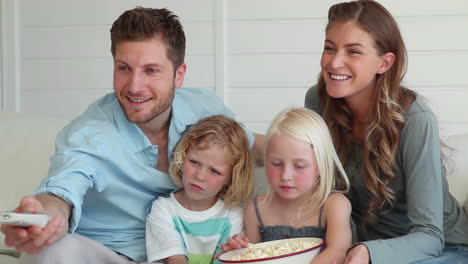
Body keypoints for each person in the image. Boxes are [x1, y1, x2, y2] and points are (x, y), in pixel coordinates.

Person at [0, 7, 262, 264]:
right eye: (124, 68)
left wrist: (300, 147)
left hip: (178, 256)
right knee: (49, 251)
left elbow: (252, 146)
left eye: (151, 70)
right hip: (107, 253)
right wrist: (39, 219)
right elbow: (60, 193)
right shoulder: (89, 134)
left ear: (178, 75)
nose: (135, 87)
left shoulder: (204, 108)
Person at [304, 1, 468, 263]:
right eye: (329, 48)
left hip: (442, 250)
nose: (335, 63)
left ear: (384, 63)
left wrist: (370, 252)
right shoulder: (317, 101)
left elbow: (430, 236)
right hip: (358, 248)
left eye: (353, 52)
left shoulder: (416, 119)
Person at [221, 107, 352, 264]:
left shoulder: (334, 205)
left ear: (321, 166)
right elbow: (253, 257)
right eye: (276, 164)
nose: (286, 176)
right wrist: (239, 251)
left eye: (299, 166)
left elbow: (337, 252)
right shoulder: (256, 209)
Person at [146, 114, 254, 264]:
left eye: (215, 171)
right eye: (194, 162)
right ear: (183, 157)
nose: (200, 176)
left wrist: (232, 253)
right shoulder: (163, 209)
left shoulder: (232, 215)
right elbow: (176, 260)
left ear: (231, 178)